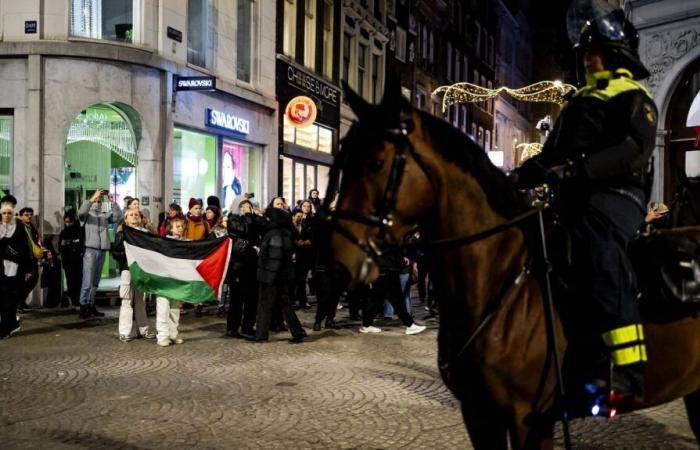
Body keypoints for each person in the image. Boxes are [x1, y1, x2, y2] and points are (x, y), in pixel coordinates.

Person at [511, 3, 657, 399]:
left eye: (595, 51)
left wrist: (579, 171)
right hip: (572, 201)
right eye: (586, 52)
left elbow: (633, 150)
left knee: (601, 251)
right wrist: (516, 177)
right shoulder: (576, 104)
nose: (588, 59)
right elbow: (550, 155)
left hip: (617, 198)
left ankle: (628, 368)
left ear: (614, 53)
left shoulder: (634, 96)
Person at [250, 206, 306, 343]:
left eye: (267, 217)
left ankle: (261, 335)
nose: (265, 219)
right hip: (280, 276)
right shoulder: (284, 232)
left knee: (265, 305)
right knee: (284, 305)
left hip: (272, 277)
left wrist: (270, 278)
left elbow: (275, 258)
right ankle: (298, 331)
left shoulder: (275, 234)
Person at [77, 189, 123, 319]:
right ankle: (83, 305)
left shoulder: (104, 215)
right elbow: (81, 212)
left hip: (102, 251)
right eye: (96, 201)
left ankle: (91, 304)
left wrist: (113, 202)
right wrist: (92, 198)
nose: (97, 203)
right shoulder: (86, 215)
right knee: (87, 280)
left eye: (99, 201)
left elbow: (118, 217)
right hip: (90, 250)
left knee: (95, 281)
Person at [111, 209, 155, 342]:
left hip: (141, 270)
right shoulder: (122, 233)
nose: (135, 216)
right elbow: (116, 252)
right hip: (128, 269)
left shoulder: (145, 234)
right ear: (126, 220)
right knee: (126, 299)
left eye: (136, 215)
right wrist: (129, 255)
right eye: (131, 215)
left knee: (140, 300)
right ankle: (125, 331)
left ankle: (143, 329)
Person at [225, 199, 265, 338]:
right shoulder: (233, 219)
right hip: (239, 263)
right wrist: (248, 215)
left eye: (249, 206)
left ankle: (248, 326)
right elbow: (243, 230)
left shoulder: (253, 219)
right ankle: (232, 327)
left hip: (253, 263)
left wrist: (255, 216)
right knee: (237, 297)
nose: (246, 209)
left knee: (252, 297)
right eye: (244, 206)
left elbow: (262, 227)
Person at [0, 195, 30, 338]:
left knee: (8, 298)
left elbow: (24, 249)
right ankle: (10, 324)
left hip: (12, 268)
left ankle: (7, 327)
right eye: (4, 211)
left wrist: (27, 269)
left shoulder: (18, 227)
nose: (6, 214)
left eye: (9, 211)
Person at [155, 218, 186, 347]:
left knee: (174, 308)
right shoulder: (163, 242)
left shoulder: (185, 243)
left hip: (176, 279)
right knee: (163, 308)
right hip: (164, 280)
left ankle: (173, 334)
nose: (180, 228)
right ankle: (162, 336)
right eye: (177, 226)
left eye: (181, 226)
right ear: (170, 229)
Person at [59, 212, 84, 311]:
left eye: (70, 222)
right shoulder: (63, 232)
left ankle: (79, 302)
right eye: (66, 222)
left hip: (77, 261)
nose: (68, 224)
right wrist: (63, 243)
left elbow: (80, 245)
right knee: (71, 282)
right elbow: (60, 247)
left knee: (78, 281)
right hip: (68, 261)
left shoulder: (79, 232)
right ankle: (74, 302)